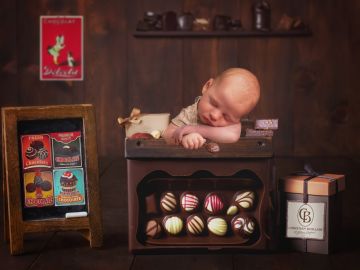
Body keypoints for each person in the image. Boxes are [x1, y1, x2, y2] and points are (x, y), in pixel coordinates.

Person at [162, 68, 260, 149]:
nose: (215, 116)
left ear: (237, 119)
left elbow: (233, 136)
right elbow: (167, 134)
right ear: (207, 86)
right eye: (214, 104)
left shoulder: (232, 124)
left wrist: (194, 129)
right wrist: (183, 139)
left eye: (226, 116)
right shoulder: (190, 113)